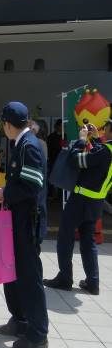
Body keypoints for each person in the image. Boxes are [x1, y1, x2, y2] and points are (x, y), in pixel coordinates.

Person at [0, 101, 49, 348]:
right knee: (13, 273)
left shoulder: (30, 146)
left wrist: (5, 192)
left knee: (29, 276)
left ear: (7, 124)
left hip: (28, 222)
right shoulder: (21, 143)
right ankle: (20, 319)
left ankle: (38, 333)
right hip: (17, 220)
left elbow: (32, 185)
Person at [43, 119, 112, 295]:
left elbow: (76, 160)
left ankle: (65, 278)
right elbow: (99, 163)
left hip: (81, 199)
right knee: (88, 242)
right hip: (96, 202)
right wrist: (95, 139)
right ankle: (93, 282)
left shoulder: (105, 151)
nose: (104, 130)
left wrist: (81, 140)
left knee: (65, 237)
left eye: (106, 128)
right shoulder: (105, 150)